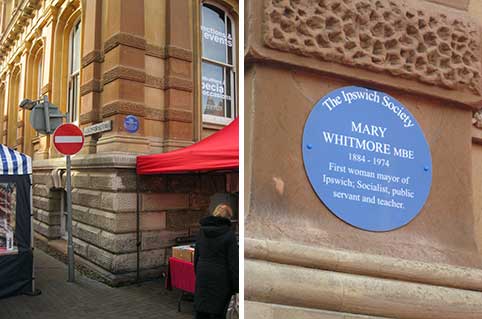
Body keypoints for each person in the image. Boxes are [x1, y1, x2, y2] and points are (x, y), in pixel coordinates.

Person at [194, 203, 238, 319]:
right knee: (218, 312)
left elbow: (196, 255)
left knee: (201, 311)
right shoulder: (229, 235)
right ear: (228, 218)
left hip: (203, 274)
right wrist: (236, 287)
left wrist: (198, 273)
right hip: (221, 278)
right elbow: (233, 264)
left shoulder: (201, 231)